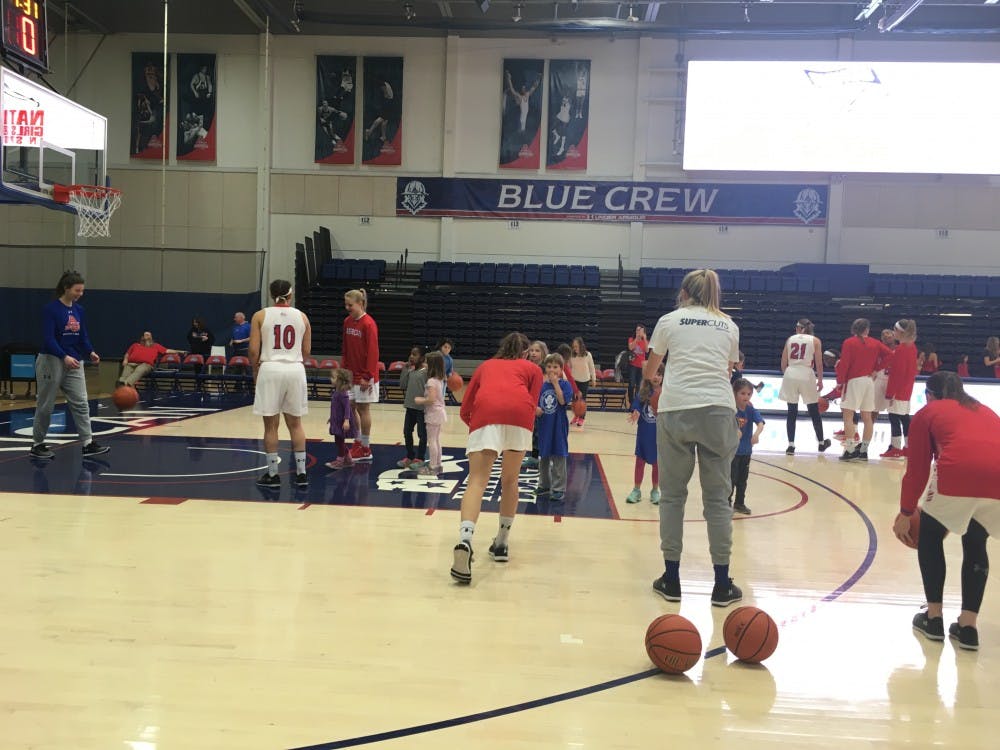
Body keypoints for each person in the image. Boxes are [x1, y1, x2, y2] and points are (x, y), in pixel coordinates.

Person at [644, 269, 743, 608]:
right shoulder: (729, 325)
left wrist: (657, 377)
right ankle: (721, 583)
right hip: (718, 409)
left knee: (673, 496)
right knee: (717, 499)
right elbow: (729, 369)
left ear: (684, 292)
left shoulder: (670, 321)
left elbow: (650, 369)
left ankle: (671, 579)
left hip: (677, 408)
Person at [894, 371, 1000, 651]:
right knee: (977, 541)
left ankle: (934, 618)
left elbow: (916, 470)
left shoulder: (929, 411)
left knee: (928, 536)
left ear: (930, 394)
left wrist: (905, 512)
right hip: (998, 481)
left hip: (958, 473)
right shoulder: (985, 410)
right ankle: (968, 628)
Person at [451, 332, 543, 584]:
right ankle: (501, 543)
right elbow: (532, 404)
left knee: (477, 481)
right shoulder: (532, 369)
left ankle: (465, 540)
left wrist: (477, 425)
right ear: (525, 352)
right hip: (519, 419)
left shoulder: (485, 366)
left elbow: (465, 407)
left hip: (485, 416)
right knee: (510, 481)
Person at [29, 270, 110, 460]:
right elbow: (49, 339)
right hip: (51, 360)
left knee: (81, 403)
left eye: (82, 291)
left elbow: (82, 336)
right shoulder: (51, 309)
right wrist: (63, 356)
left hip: (73, 361)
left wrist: (90, 351)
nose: (80, 294)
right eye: (77, 290)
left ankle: (88, 443)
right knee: (46, 405)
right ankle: (38, 444)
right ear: (66, 288)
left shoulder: (79, 311)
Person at [250, 279, 311, 489]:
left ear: (270, 294)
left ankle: (273, 474)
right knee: (296, 424)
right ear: (291, 295)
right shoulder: (302, 316)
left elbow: (252, 351)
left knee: (271, 425)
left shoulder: (260, 315)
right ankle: (302, 474)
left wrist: (255, 370)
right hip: (295, 368)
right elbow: (306, 351)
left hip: (270, 368)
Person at [837, 318, 892, 462]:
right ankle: (863, 451)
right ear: (867, 329)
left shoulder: (849, 342)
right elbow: (890, 355)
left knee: (848, 416)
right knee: (867, 417)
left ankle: (849, 449)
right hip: (869, 381)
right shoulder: (875, 343)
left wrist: (840, 381)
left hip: (853, 381)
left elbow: (844, 363)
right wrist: (876, 370)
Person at [778, 318, 831, 455]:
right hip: (807, 373)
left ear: (798, 328)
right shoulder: (815, 340)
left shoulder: (790, 339)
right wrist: (820, 380)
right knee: (814, 410)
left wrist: (788, 374)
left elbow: (783, 362)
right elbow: (819, 363)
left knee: (791, 411)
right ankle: (820, 443)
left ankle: (791, 445)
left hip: (791, 372)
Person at [342, 289, 380, 462]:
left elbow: (373, 352)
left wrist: (368, 376)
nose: (347, 307)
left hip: (365, 375)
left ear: (361, 303)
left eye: (350, 305)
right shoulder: (347, 322)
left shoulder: (368, 324)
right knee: (351, 407)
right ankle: (358, 441)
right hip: (351, 375)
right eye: (346, 304)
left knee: (364, 409)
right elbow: (346, 350)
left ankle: (366, 447)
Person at [536, 353, 573, 503]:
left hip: (558, 426)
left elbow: (563, 401)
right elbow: (535, 402)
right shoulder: (542, 385)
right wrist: (536, 409)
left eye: (555, 367)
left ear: (561, 369)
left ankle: (558, 488)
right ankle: (544, 484)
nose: (552, 369)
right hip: (544, 426)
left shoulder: (565, 384)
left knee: (559, 455)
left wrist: (556, 383)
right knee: (543, 456)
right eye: (549, 366)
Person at [881, 319, 919, 459]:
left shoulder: (901, 349)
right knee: (904, 418)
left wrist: (890, 393)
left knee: (894, 418)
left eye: (894, 330)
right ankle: (908, 448)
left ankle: (896, 448)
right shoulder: (912, 347)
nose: (893, 332)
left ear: (900, 332)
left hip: (898, 390)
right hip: (907, 388)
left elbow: (897, 373)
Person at [625, 363, 663, 505]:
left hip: (659, 436)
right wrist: (635, 411)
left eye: (659, 374)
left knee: (657, 464)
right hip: (644, 434)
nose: (656, 377)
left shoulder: (665, 392)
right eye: (654, 373)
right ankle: (636, 490)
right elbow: (636, 404)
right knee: (639, 463)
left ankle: (655, 490)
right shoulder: (643, 392)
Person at [730, 378, 765, 515]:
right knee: (731, 478)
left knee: (742, 479)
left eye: (748, 394)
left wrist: (756, 434)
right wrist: (733, 429)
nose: (746, 396)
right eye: (742, 393)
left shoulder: (750, 410)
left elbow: (760, 423)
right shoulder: (731, 410)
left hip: (746, 451)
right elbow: (724, 423)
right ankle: (727, 502)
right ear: (735, 393)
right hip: (732, 451)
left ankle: (740, 503)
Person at [415, 351, 448, 478]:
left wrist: (419, 400)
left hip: (433, 413)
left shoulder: (431, 381)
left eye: (427, 363)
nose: (425, 364)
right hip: (439, 412)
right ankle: (438, 465)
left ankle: (433, 466)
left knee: (432, 440)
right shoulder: (439, 379)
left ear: (432, 365)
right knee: (436, 440)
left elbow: (431, 399)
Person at [116, 331, 182, 388]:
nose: (146, 336)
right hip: (131, 363)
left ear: (151, 337)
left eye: (148, 335)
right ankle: (121, 384)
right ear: (142, 337)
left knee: (140, 369)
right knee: (126, 370)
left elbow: (167, 350)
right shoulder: (135, 345)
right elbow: (127, 353)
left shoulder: (155, 346)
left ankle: (127, 384)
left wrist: (180, 351)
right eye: (145, 335)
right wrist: (125, 360)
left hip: (146, 365)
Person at [398, 345, 428, 470]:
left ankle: (420, 458)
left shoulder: (426, 372)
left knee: (422, 434)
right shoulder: (410, 372)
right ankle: (410, 456)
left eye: (415, 354)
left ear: (422, 358)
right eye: (411, 353)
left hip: (421, 410)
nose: (411, 356)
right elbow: (402, 385)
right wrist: (405, 370)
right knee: (407, 432)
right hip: (410, 407)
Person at [523, 340, 549, 468]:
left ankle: (546, 458)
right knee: (535, 432)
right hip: (531, 403)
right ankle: (534, 457)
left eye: (537, 351)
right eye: (532, 350)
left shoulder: (547, 367)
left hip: (545, 404)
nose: (533, 353)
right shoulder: (526, 366)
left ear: (543, 353)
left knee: (544, 432)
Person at [325, 368, 357, 470]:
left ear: (340, 380)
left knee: (339, 441)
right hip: (337, 420)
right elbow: (336, 408)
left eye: (333, 377)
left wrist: (347, 420)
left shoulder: (343, 394)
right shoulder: (337, 392)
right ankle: (348, 460)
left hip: (342, 422)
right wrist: (331, 418)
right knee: (339, 441)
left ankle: (340, 461)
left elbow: (347, 408)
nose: (331, 379)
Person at [568, 337, 597, 428]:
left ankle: (582, 417)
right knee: (574, 400)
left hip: (585, 380)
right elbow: (569, 368)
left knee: (582, 400)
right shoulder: (572, 356)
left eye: (576, 346)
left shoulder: (588, 355)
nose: (575, 348)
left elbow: (592, 367)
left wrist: (594, 379)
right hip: (574, 380)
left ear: (581, 345)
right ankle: (576, 416)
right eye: (574, 347)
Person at [627, 324, 648, 408]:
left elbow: (647, 350)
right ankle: (631, 401)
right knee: (631, 384)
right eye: (637, 330)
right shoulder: (631, 339)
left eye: (640, 330)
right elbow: (631, 348)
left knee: (639, 385)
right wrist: (637, 339)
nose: (638, 331)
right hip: (633, 365)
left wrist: (645, 338)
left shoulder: (645, 341)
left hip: (641, 366)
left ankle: (637, 403)